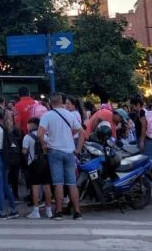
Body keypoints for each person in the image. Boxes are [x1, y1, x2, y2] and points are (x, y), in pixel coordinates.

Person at [39, 92, 85, 220]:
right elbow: (82, 132)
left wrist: (43, 145)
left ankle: (58, 211)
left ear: (50, 102)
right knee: (72, 182)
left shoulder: (47, 116)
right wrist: (78, 149)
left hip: (54, 151)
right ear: (62, 101)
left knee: (58, 182)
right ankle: (77, 212)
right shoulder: (70, 115)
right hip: (69, 152)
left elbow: (40, 133)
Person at [131, 95, 152, 197]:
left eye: (133, 105)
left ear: (137, 105)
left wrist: (141, 141)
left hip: (147, 141)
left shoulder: (142, 113)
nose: (132, 108)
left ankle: (150, 187)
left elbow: (143, 127)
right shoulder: (149, 112)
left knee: (146, 165)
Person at [0, 105, 20, 218]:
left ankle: (2, 211)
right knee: (5, 184)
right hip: (5, 155)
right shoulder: (5, 128)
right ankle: (13, 209)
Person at [22, 117, 53, 219]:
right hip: (45, 162)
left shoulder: (27, 137)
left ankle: (36, 211)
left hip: (33, 164)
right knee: (46, 186)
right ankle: (49, 210)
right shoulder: (45, 136)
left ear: (31, 125)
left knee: (35, 187)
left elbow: (24, 151)